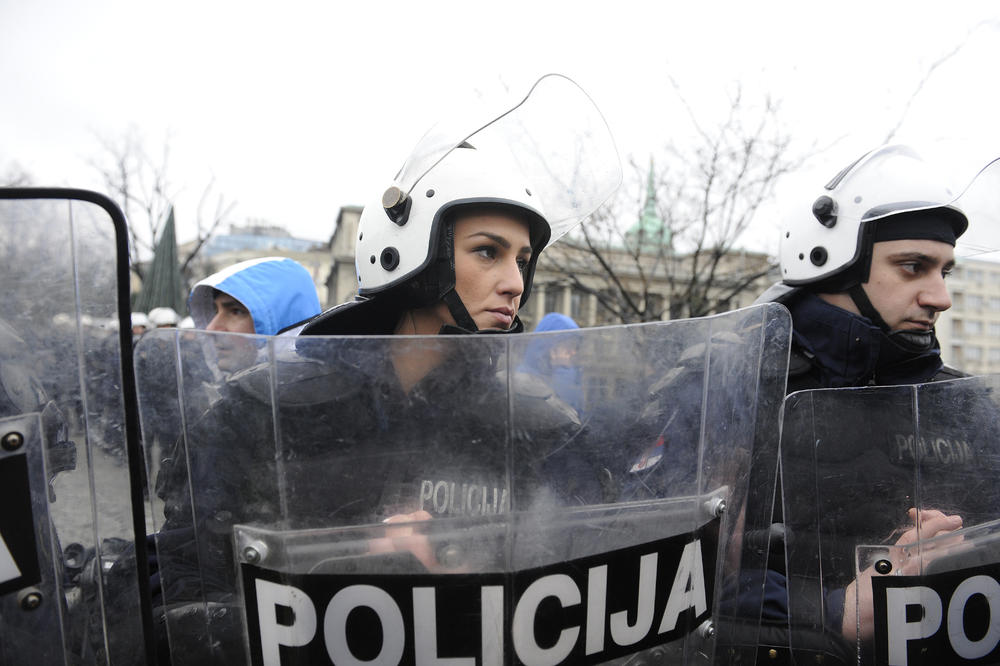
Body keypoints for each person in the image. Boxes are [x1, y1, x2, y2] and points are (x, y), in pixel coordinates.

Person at [141, 75, 621, 663]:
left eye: (522, 260)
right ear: (409, 251)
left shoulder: (544, 432)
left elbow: (594, 586)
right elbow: (187, 594)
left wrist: (486, 569)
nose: (515, 282)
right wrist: (348, 564)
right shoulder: (258, 414)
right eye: (488, 251)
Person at [757, 145, 987, 662]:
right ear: (834, 269)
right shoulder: (737, 390)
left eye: (944, 271)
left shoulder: (966, 405)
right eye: (913, 267)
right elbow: (674, 574)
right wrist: (830, 609)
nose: (940, 296)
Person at [186, 256, 321, 372]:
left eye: (236, 311)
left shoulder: (324, 399)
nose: (210, 328)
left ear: (281, 323)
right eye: (215, 311)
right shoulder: (219, 396)